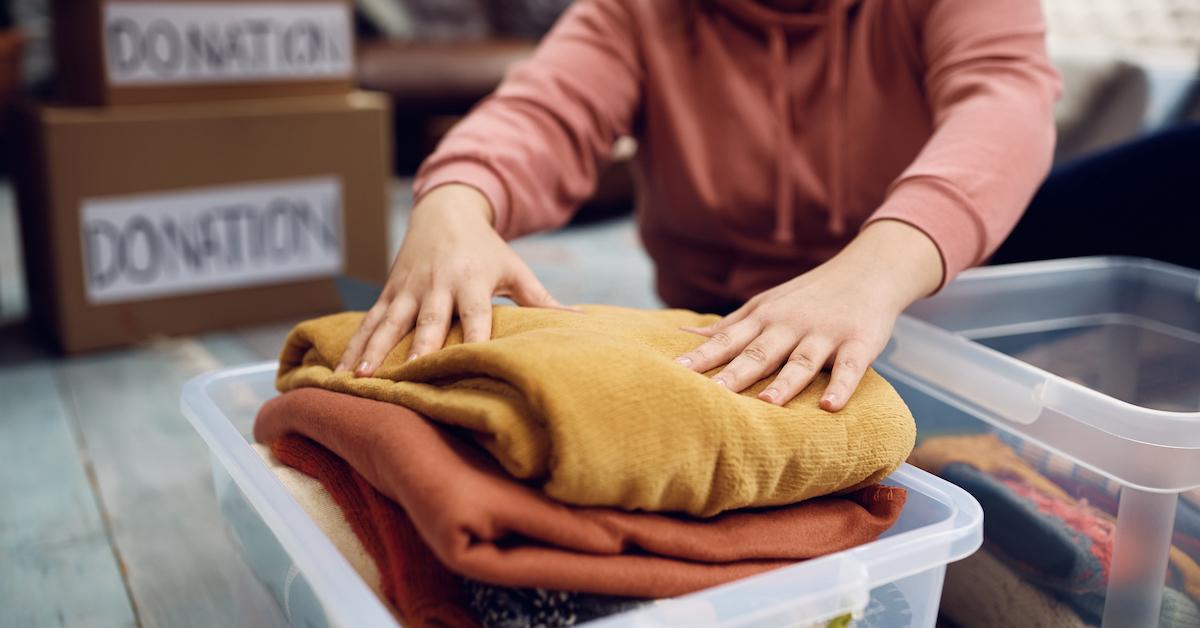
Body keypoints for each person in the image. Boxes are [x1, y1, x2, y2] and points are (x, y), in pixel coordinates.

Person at [337, 0, 1060, 411]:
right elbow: (542, 112)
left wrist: (876, 268)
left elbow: (1006, 99)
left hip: (926, 295)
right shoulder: (637, 13)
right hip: (726, 314)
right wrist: (455, 202)